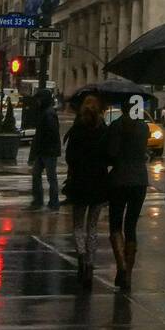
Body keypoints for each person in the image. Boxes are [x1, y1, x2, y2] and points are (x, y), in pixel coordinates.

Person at [64, 95, 109, 286]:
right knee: (92, 227)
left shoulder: (77, 130)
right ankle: (90, 263)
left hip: (80, 184)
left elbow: (70, 158)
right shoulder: (104, 131)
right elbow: (109, 155)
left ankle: (81, 256)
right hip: (99, 184)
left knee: (78, 225)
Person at [105, 101, 148, 292]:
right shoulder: (144, 127)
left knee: (116, 224)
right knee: (131, 225)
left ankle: (121, 265)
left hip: (119, 179)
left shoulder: (116, 126)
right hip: (139, 180)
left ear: (122, 109)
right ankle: (128, 274)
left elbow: (111, 153)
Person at [29, 90, 61, 210]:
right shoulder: (46, 112)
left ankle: (51, 202)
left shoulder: (48, 113)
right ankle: (42, 201)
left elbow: (51, 133)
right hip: (45, 150)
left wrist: (41, 147)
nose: (37, 102)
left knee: (49, 176)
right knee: (39, 174)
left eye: (39, 99)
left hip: (47, 151)